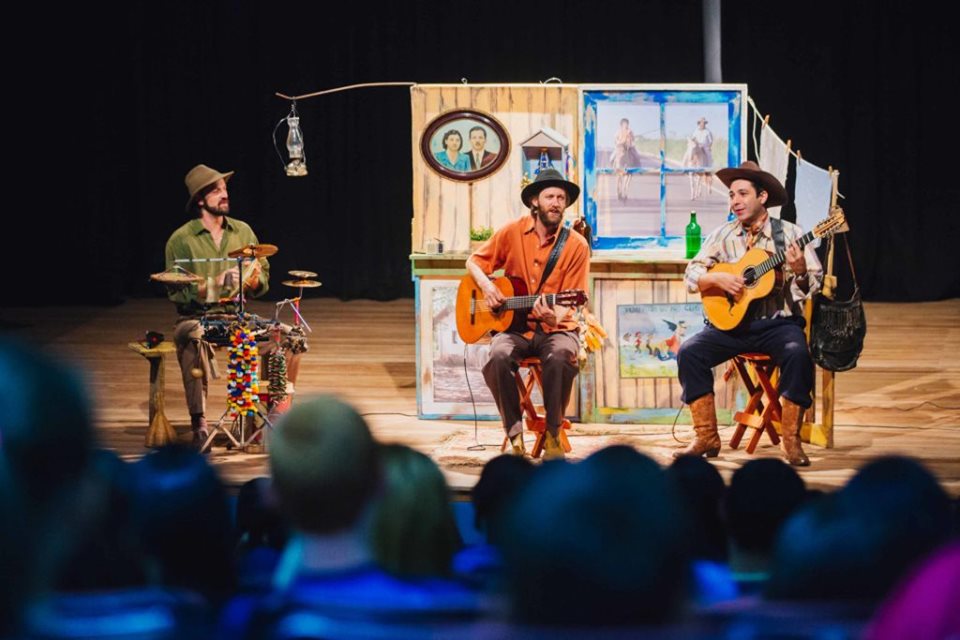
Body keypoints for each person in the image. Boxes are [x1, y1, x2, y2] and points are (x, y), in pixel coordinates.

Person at [676, 161, 823, 466]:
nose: (735, 202)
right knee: (689, 352)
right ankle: (706, 436)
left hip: (777, 326)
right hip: (731, 326)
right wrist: (715, 278)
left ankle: (790, 441)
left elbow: (812, 286)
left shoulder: (791, 235)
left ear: (763, 197)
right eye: (731, 195)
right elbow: (691, 274)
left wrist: (799, 273)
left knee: (798, 354)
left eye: (742, 194)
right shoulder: (723, 234)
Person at [164, 164, 307, 448]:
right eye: (216, 190)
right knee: (191, 336)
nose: (224, 194)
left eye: (225, 188)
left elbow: (263, 278)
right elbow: (178, 293)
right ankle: (200, 422)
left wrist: (252, 281)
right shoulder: (181, 241)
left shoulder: (243, 232)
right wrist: (216, 282)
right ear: (201, 200)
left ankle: (273, 414)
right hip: (197, 317)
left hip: (236, 317)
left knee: (292, 336)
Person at [466, 168, 590, 460]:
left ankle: (553, 432)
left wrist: (552, 317)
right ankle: (514, 434)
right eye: (550, 196)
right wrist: (487, 287)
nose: (556, 202)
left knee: (560, 355)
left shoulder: (576, 246)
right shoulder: (511, 232)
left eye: (561, 197)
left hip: (557, 328)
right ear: (535, 200)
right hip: (515, 329)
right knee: (497, 355)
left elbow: (573, 298)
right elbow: (473, 262)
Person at [610, 117, 643, 201]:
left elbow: (633, 141)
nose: (626, 126)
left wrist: (631, 139)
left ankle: (638, 168)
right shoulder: (618, 132)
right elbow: (616, 142)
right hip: (620, 149)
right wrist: (621, 142)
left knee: (637, 156)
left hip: (629, 148)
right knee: (612, 157)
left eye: (627, 124)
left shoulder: (630, 132)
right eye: (625, 124)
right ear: (621, 125)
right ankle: (612, 168)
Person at [690, 116, 714, 196]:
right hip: (697, 145)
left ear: (705, 124)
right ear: (699, 123)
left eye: (704, 123)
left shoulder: (707, 132)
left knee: (708, 156)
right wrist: (694, 142)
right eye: (701, 123)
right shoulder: (696, 131)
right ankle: (688, 165)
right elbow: (693, 138)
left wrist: (708, 146)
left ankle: (709, 168)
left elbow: (711, 141)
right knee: (690, 152)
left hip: (705, 147)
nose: (702, 124)